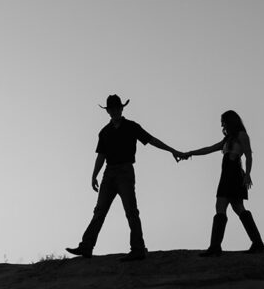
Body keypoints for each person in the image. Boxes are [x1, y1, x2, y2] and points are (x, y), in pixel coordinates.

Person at [66, 94, 184, 262]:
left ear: (121, 109)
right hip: (109, 173)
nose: (114, 111)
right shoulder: (104, 132)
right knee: (99, 211)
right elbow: (101, 155)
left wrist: (172, 150)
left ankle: (137, 249)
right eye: (111, 109)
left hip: (125, 172)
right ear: (108, 111)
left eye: (116, 108)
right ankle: (86, 246)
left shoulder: (131, 127)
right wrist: (94, 175)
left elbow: (151, 140)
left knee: (131, 210)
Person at [178, 110, 264, 256]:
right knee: (232, 207)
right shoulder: (227, 139)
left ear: (230, 121)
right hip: (226, 174)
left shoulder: (241, 135)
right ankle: (253, 243)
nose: (222, 124)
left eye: (223, 121)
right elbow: (209, 149)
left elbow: (249, 155)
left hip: (234, 173)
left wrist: (248, 174)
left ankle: (219, 247)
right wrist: (189, 153)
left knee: (231, 206)